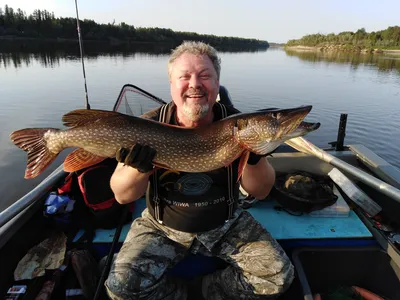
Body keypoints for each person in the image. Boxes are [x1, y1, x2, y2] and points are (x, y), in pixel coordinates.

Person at [105, 41, 294, 300]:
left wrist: (254, 157)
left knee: (279, 276)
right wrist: (138, 168)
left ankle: (203, 291)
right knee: (120, 287)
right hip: (163, 226)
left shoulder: (240, 124)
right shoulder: (146, 125)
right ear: (172, 84)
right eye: (185, 76)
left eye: (205, 76)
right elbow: (122, 196)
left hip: (225, 222)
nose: (195, 84)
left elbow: (260, 191)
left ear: (217, 83)